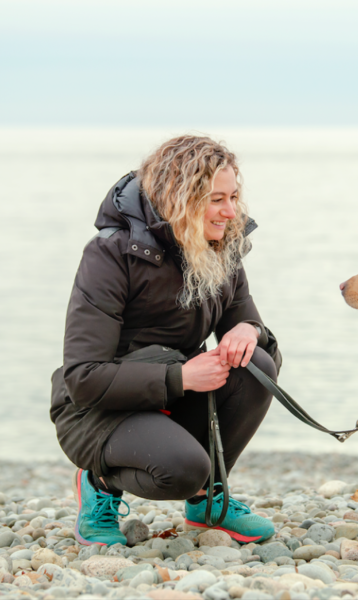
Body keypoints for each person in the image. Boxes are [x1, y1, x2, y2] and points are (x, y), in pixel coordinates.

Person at [50, 135, 281, 546]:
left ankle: (209, 501)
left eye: (234, 197)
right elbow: (82, 378)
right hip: (97, 410)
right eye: (216, 200)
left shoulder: (220, 247)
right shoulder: (110, 255)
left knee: (256, 363)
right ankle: (99, 484)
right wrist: (182, 378)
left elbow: (245, 321)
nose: (230, 212)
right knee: (182, 469)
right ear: (180, 198)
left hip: (171, 393)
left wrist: (250, 331)